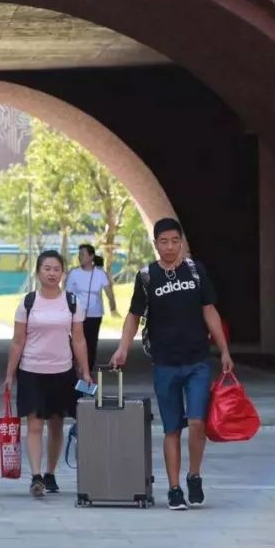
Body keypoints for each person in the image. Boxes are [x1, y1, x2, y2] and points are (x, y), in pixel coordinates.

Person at [110, 218, 232, 511]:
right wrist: (123, 348)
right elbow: (133, 316)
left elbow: (209, 311)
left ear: (181, 242)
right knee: (172, 428)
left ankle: (194, 475)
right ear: (155, 244)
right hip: (165, 363)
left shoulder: (195, 271)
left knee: (197, 422)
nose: (169, 247)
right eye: (163, 242)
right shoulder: (147, 276)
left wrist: (224, 350)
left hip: (198, 361)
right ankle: (175, 488)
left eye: (174, 241)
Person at [3, 250, 92, 498]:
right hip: (31, 371)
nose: (52, 273)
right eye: (47, 268)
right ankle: (36, 475)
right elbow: (17, 342)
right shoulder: (28, 302)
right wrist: (10, 374)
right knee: (34, 424)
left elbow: (79, 340)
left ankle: (51, 473)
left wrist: (85, 370)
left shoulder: (72, 303)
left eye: (56, 269)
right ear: (38, 272)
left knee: (56, 424)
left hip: (62, 372)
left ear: (62, 273)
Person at [65, 244, 118, 370]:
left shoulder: (100, 274)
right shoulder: (74, 273)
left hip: (95, 314)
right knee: (76, 343)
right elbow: (68, 295)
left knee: (91, 343)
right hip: (77, 315)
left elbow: (108, 292)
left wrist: (113, 307)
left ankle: (87, 372)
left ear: (91, 257)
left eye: (83, 254)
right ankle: (77, 370)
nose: (80, 257)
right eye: (79, 254)